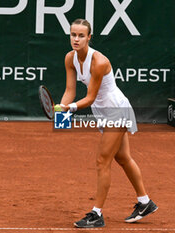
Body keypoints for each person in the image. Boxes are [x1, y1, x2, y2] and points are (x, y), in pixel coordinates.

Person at [56, 19, 158, 228]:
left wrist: (71, 109)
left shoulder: (99, 62)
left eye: (81, 35)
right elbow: (70, 91)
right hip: (102, 112)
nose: (76, 39)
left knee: (103, 160)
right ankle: (145, 202)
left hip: (116, 109)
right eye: (73, 35)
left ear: (89, 37)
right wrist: (62, 113)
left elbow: (90, 97)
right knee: (123, 158)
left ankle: (97, 214)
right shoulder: (70, 58)